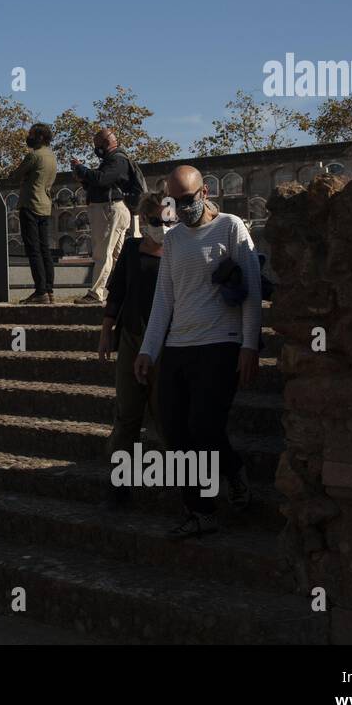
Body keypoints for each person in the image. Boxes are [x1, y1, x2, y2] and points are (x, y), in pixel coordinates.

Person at [134, 165, 261, 539]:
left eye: (188, 200)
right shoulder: (173, 240)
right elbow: (164, 300)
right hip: (178, 344)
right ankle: (200, 510)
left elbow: (251, 288)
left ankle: (231, 470)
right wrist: (148, 350)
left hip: (220, 341)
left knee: (204, 426)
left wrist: (250, 345)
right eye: (175, 202)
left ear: (204, 192)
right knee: (174, 431)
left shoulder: (231, 227)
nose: (183, 208)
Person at [98, 193, 171, 506]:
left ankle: (172, 484)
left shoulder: (180, 250)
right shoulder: (131, 249)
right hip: (132, 336)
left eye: (167, 221)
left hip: (169, 343)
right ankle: (120, 486)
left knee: (165, 416)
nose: (162, 228)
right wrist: (106, 332)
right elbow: (117, 293)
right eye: (155, 221)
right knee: (127, 414)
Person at [70, 129, 135, 306]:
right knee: (117, 256)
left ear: (106, 143)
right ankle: (128, 290)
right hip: (113, 209)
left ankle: (96, 293)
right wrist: (83, 178)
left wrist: (82, 169)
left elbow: (102, 179)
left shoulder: (117, 159)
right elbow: (99, 184)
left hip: (109, 210)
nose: (95, 149)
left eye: (97, 146)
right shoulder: (111, 160)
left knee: (102, 253)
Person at [9, 122, 58, 304]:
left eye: (31, 134)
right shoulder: (52, 157)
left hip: (30, 205)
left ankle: (40, 291)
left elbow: (15, 176)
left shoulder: (34, 156)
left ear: (39, 137)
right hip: (45, 205)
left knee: (33, 249)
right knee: (45, 249)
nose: (28, 137)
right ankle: (49, 289)